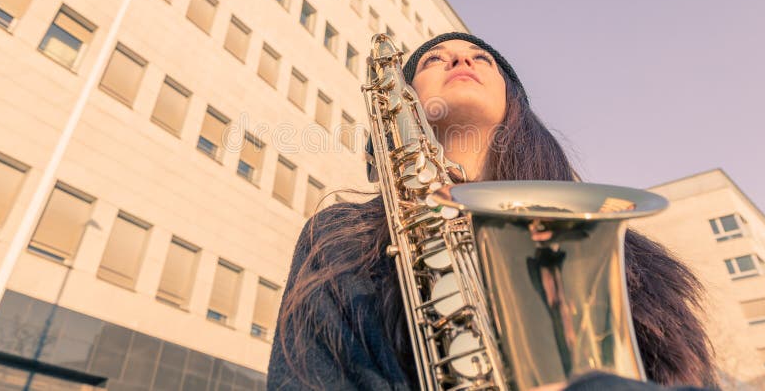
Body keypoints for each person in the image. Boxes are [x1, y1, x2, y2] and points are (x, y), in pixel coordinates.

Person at [267, 32, 718, 391]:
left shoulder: (606, 231)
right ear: (401, 103)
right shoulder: (339, 236)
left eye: (481, 58)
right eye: (432, 60)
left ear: (515, 104)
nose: (461, 60)